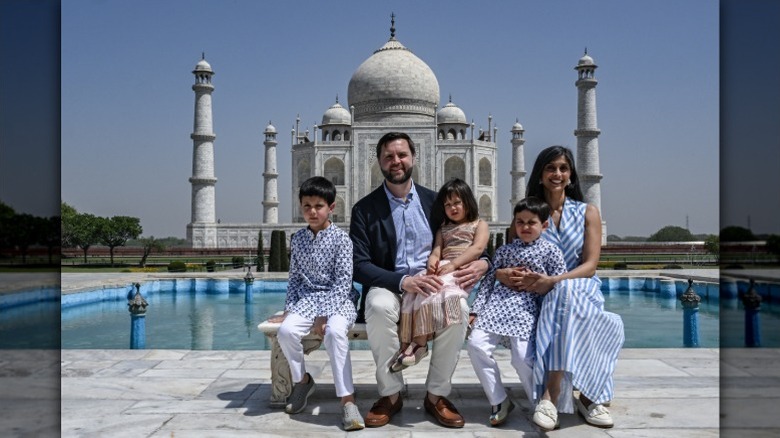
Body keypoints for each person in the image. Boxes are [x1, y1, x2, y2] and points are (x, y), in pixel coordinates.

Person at [349, 132, 490, 429]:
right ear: (379, 162)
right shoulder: (364, 209)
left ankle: (436, 395)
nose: (396, 161)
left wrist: (484, 262)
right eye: (389, 156)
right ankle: (391, 394)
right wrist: (403, 282)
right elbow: (359, 266)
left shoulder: (434, 201)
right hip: (391, 284)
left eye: (401, 155)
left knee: (459, 311)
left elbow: (468, 234)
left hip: (434, 283)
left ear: (414, 157)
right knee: (376, 305)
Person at [495, 145, 624, 431]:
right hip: (535, 295)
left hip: (580, 287)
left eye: (563, 168)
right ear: (540, 175)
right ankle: (591, 398)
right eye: (551, 168)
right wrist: (502, 273)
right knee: (600, 318)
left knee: (568, 295)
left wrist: (553, 281)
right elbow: (509, 257)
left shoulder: (587, 212)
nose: (557, 174)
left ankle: (551, 395)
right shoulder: (529, 214)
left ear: (571, 175)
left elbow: (590, 265)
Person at [267, 176, 365, 431]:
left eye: (318, 206)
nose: (312, 211)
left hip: (340, 300)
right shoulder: (298, 239)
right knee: (286, 331)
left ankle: (347, 400)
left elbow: (344, 283)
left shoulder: (342, 240)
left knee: (334, 333)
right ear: (301, 206)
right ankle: (302, 381)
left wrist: (324, 315)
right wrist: (289, 309)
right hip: (308, 299)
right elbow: (295, 279)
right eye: (307, 206)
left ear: (331, 207)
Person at [467, 196, 567, 427]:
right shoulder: (504, 251)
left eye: (531, 222)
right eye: (520, 222)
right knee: (475, 345)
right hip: (497, 307)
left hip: (526, 309)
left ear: (544, 225)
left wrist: (542, 285)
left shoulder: (551, 252)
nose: (524, 227)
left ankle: (542, 406)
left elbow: (560, 283)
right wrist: (476, 310)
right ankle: (499, 400)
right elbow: (489, 282)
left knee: (522, 358)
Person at [392, 178, 489, 372]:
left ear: (467, 202)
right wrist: (432, 262)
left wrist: (453, 264)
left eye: (457, 203)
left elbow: (477, 249)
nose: (452, 208)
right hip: (444, 268)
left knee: (433, 290)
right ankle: (416, 343)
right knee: (420, 289)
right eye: (447, 205)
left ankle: (419, 343)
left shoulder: (479, 224)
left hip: (461, 270)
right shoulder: (443, 228)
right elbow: (437, 250)